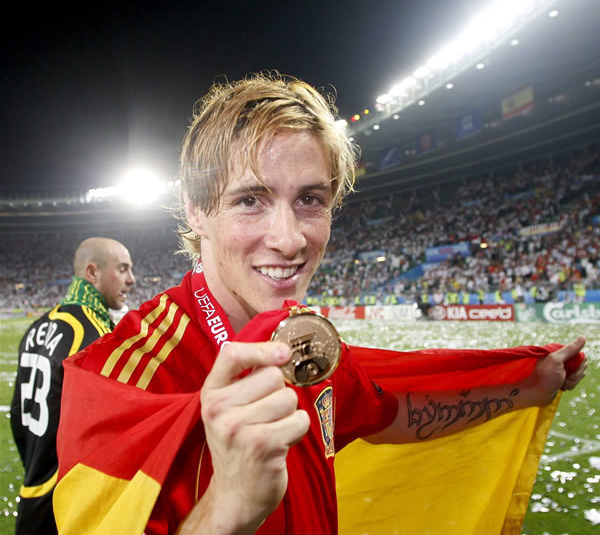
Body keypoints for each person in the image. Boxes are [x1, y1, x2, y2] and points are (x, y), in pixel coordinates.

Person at [53, 73, 587, 535]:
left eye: (310, 199)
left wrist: (524, 387)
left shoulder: (306, 341)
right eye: (250, 200)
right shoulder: (116, 384)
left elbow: (388, 412)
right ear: (196, 210)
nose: (289, 240)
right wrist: (224, 512)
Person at [10, 237, 135, 535]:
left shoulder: (38, 326)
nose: (132, 279)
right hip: (68, 509)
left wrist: (38, 465)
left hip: (32, 498)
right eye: (122, 269)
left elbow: (17, 415)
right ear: (92, 272)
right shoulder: (95, 336)